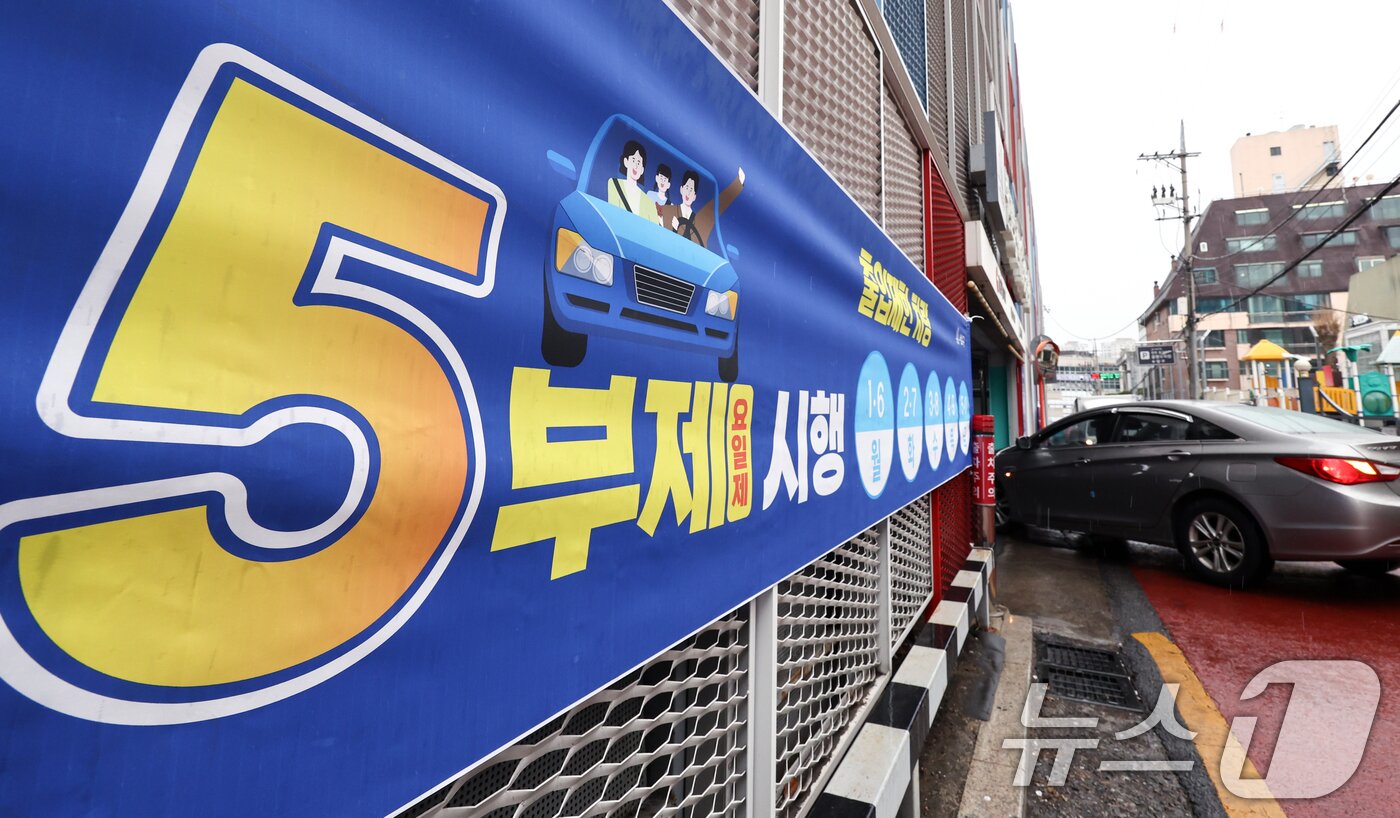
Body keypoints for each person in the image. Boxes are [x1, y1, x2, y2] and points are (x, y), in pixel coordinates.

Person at [665, 167, 744, 249]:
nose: (688, 193)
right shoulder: (669, 211)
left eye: (691, 190)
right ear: (681, 189)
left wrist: (738, 184)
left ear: (694, 196)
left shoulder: (700, 222)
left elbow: (715, 207)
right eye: (687, 188)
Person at [607, 140, 661, 225]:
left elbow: (653, 230)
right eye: (633, 160)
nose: (636, 166)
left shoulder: (649, 202)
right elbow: (613, 216)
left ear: (642, 170)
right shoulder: (614, 184)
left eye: (639, 162)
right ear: (626, 161)